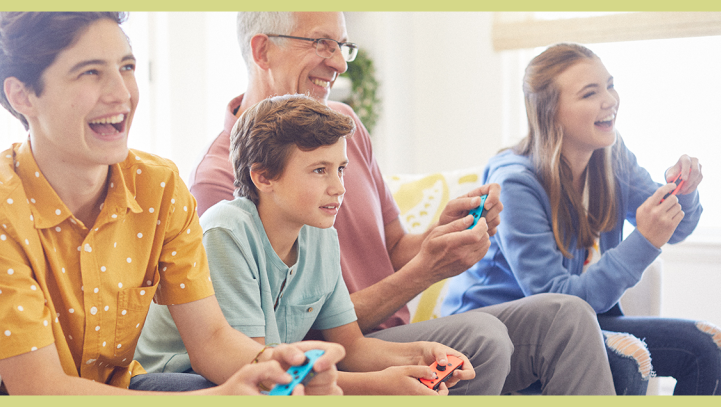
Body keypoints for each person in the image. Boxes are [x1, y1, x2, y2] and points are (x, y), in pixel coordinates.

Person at [189, 11, 615, 395]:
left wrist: (440, 238)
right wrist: (424, 273)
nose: (338, 63)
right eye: (320, 43)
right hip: (316, 352)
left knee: (568, 315)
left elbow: (392, 249)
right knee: (485, 336)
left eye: (342, 45)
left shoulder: (344, 129)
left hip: (371, 340)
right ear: (263, 49)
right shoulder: (221, 188)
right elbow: (283, 334)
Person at [0, 11, 345, 396]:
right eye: (91, 72)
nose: (121, 93)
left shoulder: (158, 187)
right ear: (22, 95)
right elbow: (40, 388)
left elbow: (211, 340)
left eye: (126, 68)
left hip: (122, 388)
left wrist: (275, 365)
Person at [440, 43, 721, 395]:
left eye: (609, 85)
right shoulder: (516, 183)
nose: (610, 100)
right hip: (502, 337)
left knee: (708, 346)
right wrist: (645, 241)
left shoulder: (611, 155)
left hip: (584, 319)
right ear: (551, 113)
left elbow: (678, 228)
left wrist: (684, 192)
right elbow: (558, 301)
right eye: (590, 93)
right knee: (627, 357)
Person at [137, 94, 477, 395]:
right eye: (319, 170)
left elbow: (352, 347)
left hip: (268, 375)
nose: (339, 187)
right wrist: (378, 385)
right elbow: (253, 373)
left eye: (341, 169)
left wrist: (421, 355)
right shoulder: (226, 233)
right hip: (180, 377)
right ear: (263, 177)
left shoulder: (321, 235)